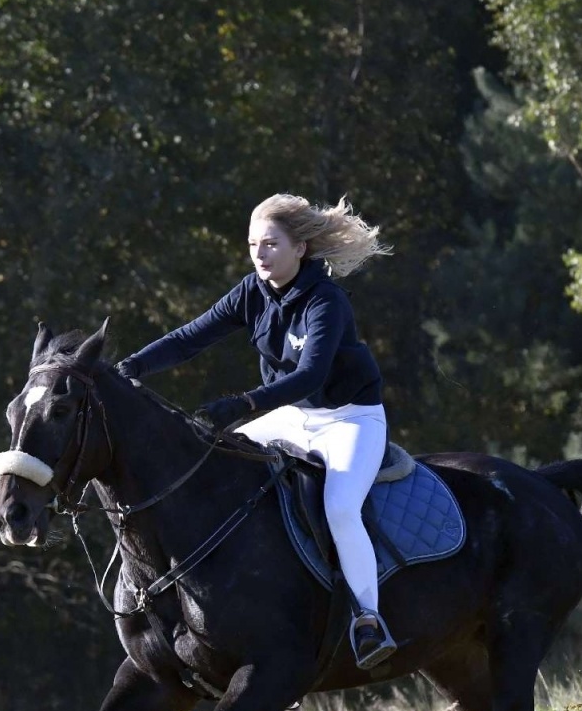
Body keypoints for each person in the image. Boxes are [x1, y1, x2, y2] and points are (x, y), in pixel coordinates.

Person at [116, 193, 399, 669]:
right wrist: (131, 367)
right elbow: (190, 338)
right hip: (292, 416)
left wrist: (242, 404)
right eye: (253, 245)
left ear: (300, 249)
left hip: (349, 419)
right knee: (215, 468)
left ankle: (368, 619)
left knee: (340, 508)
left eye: (271, 244)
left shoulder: (326, 301)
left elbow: (309, 377)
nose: (260, 255)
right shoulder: (253, 290)